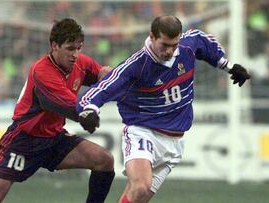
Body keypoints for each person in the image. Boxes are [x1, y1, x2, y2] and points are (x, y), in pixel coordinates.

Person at [77, 15, 251, 203]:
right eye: (165, 45)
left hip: (174, 144)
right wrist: (89, 109)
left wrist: (228, 66)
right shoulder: (136, 66)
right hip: (143, 133)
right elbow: (103, 88)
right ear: (152, 37)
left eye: (174, 45)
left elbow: (201, 40)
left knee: (137, 197)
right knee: (141, 186)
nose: (169, 51)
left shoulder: (187, 46)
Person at [0, 18, 115, 203]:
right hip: (24, 140)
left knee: (104, 160)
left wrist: (112, 77)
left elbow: (103, 75)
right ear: (54, 45)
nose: (75, 54)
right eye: (70, 48)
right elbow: (74, 108)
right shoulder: (42, 71)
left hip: (54, 138)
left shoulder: (80, 63)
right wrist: (87, 115)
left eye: (79, 48)